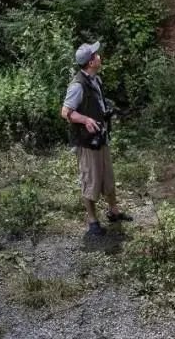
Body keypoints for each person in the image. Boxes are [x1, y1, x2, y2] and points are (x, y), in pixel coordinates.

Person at [60, 41, 131, 236]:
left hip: (101, 137)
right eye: (96, 55)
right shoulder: (77, 85)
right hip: (87, 142)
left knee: (108, 177)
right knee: (89, 180)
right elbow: (66, 112)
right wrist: (85, 119)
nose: (99, 56)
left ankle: (113, 211)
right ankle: (92, 221)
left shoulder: (95, 80)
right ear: (91, 62)